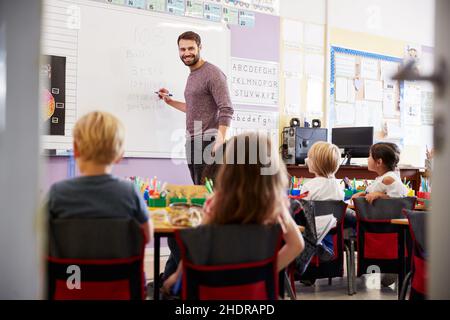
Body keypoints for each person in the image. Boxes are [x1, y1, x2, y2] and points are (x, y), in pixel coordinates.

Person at [162, 132, 305, 296]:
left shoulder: (215, 204)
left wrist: (177, 276)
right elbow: (297, 245)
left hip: (215, 290)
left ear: (227, 168)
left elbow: (196, 247)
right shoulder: (277, 207)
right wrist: (264, 271)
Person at [46, 111, 152, 244]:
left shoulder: (58, 192)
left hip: (72, 265)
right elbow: (147, 236)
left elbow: (41, 239)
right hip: (117, 265)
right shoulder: (130, 192)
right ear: (120, 155)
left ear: (75, 149)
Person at [157, 31, 234, 185]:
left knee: (209, 192)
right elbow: (194, 108)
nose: (187, 53)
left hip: (208, 141)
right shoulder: (193, 75)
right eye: (182, 49)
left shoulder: (213, 73)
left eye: (191, 48)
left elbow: (226, 109)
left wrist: (220, 141)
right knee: (199, 190)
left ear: (200, 47)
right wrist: (170, 102)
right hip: (192, 142)